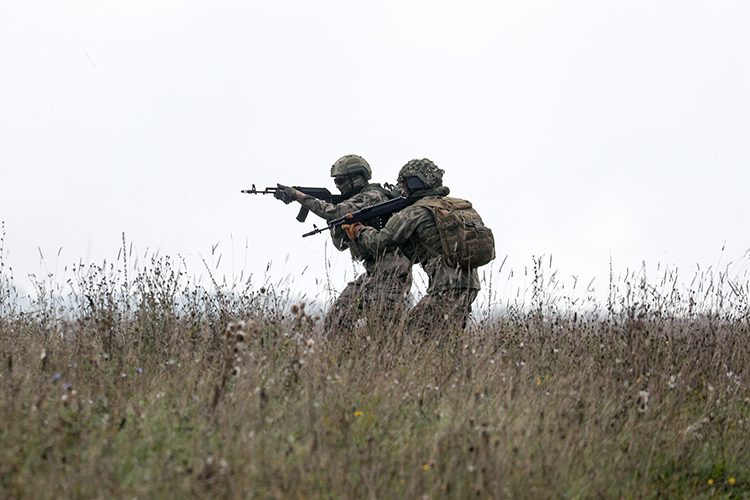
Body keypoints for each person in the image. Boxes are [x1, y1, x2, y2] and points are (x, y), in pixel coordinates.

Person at [276, 155, 412, 336]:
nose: (337, 186)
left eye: (340, 181)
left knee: (383, 335)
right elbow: (340, 245)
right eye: (335, 182)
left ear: (357, 178)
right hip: (373, 274)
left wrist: (300, 197)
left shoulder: (373, 196)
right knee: (337, 320)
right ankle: (344, 361)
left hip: (392, 276)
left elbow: (336, 211)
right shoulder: (354, 203)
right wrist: (338, 224)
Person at [342, 158, 481, 336]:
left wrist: (360, 230)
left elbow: (381, 243)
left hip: (445, 290)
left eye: (403, 184)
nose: (401, 189)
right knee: (446, 341)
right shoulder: (457, 207)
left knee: (411, 337)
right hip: (471, 286)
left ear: (412, 184)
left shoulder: (415, 212)